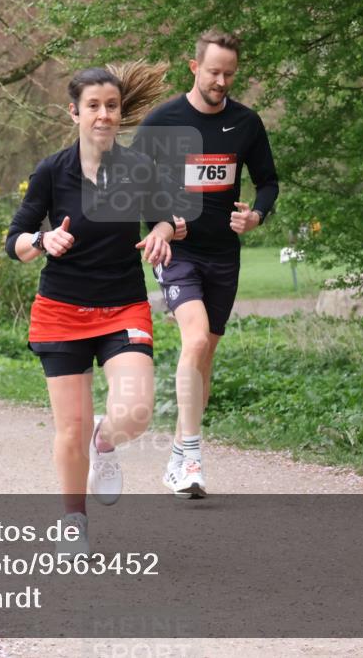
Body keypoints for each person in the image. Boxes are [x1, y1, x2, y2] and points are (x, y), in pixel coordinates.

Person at [5, 65, 174, 557]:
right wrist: (41, 239)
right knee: (69, 428)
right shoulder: (52, 171)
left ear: (121, 112)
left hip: (123, 306)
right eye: (94, 106)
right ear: (74, 112)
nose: (104, 114)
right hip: (60, 310)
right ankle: (74, 521)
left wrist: (162, 232)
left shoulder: (139, 168)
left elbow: (163, 217)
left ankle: (107, 443)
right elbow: (13, 240)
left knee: (137, 411)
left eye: (112, 106)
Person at [132, 30, 279, 499]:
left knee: (205, 355)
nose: (221, 81)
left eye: (229, 74)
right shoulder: (163, 122)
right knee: (194, 340)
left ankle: (178, 455)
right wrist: (158, 222)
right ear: (195, 68)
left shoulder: (246, 123)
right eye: (214, 72)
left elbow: (269, 182)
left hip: (224, 255)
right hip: (178, 253)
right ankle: (193, 454)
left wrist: (256, 214)